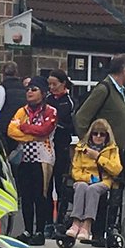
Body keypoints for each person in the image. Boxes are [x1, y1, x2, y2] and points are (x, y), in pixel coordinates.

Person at [7, 77, 58, 245]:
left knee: (41, 195)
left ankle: (40, 231)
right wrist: (33, 135)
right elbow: (11, 130)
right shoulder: (22, 111)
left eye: (34, 89)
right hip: (25, 158)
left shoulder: (51, 111)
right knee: (26, 197)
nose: (29, 92)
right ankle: (28, 230)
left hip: (43, 158)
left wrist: (25, 129)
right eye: (28, 89)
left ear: (43, 93)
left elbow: (45, 129)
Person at [74, 54, 125, 173]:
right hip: (106, 153)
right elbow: (81, 117)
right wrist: (88, 143)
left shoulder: (121, 90)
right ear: (124, 70)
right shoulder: (104, 89)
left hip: (121, 152)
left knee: (118, 189)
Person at [65, 119, 123, 242]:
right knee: (81, 186)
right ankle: (75, 223)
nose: (98, 137)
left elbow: (116, 169)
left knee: (92, 189)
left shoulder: (112, 149)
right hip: (84, 179)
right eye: (95, 133)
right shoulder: (81, 148)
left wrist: (98, 157)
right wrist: (87, 178)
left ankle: (87, 225)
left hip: (103, 181)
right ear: (90, 134)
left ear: (107, 136)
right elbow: (75, 170)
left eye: (102, 134)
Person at [46, 69, 76, 238]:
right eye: (49, 84)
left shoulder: (68, 102)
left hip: (62, 147)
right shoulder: (47, 99)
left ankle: (61, 219)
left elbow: (67, 122)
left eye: (54, 84)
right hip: (47, 147)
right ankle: (48, 221)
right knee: (47, 186)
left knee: (61, 184)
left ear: (63, 84)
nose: (51, 87)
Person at [0, 62, 28, 144]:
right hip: (20, 127)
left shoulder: (3, 87)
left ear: (3, 73)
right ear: (16, 72)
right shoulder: (23, 88)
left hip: (5, 128)